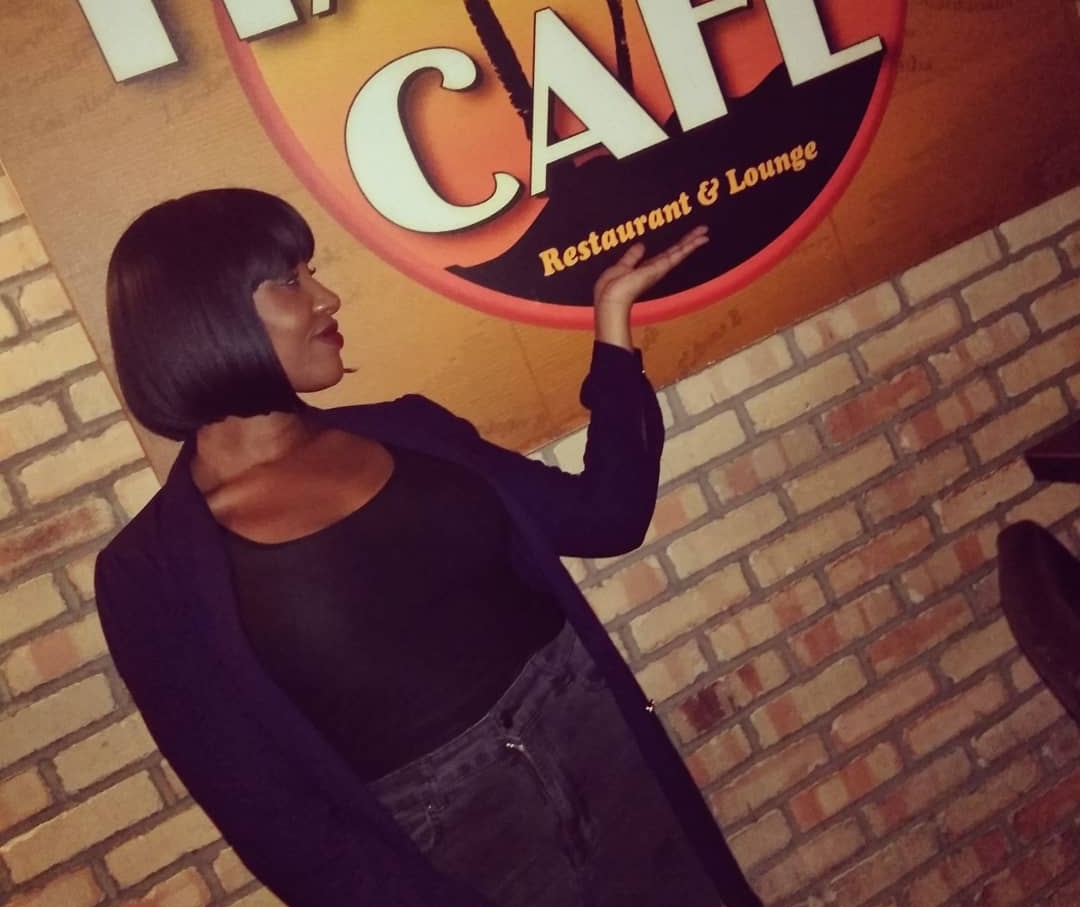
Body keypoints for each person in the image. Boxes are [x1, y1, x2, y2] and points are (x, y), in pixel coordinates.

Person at [96, 188, 763, 907]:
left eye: (312, 272)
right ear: (202, 319)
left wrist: (612, 328)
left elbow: (606, 517)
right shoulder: (150, 575)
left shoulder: (413, 431)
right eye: (290, 280)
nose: (327, 298)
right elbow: (279, 827)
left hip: (603, 743)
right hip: (456, 849)